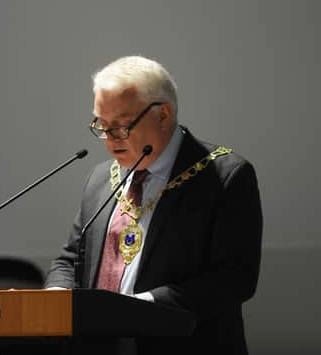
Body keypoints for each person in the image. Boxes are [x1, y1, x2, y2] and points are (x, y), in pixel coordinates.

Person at [44, 56, 263, 354]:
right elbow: (70, 259)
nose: (110, 140)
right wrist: (57, 294)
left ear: (163, 115)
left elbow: (235, 278)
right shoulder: (100, 178)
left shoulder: (223, 176)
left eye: (122, 125)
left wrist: (141, 308)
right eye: (101, 125)